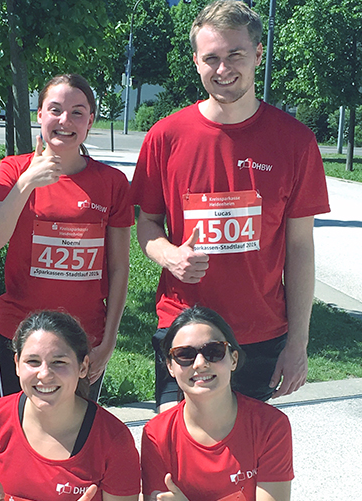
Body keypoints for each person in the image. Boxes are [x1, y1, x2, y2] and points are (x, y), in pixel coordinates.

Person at [131, 0, 330, 412]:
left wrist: (298, 343)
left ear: (258, 54)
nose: (223, 69)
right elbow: (147, 225)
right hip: (185, 331)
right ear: (196, 61)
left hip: (260, 336)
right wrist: (170, 254)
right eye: (211, 58)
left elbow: (300, 248)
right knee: (176, 461)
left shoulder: (295, 142)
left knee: (247, 466)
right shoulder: (165, 137)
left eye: (235, 55)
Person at [0, 74, 133, 400]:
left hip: (84, 340)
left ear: (90, 121)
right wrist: (27, 182)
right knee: (18, 432)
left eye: (77, 112)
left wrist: (109, 340)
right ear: (40, 115)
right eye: (55, 110)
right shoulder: (13, 170)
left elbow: (120, 268)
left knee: (76, 438)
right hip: (19, 335)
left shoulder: (112, 183)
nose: (65, 121)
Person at [0, 310, 140, 501]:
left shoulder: (113, 439)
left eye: (59, 362)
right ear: (17, 364)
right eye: (33, 361)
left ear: (83, 367)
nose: (44, 374)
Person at [141, 306, 304, 501]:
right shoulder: (157, 434)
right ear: (170, 367)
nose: (199, 363)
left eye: (214, 351)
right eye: (184, 355)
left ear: (234, 359)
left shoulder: (269, 425)